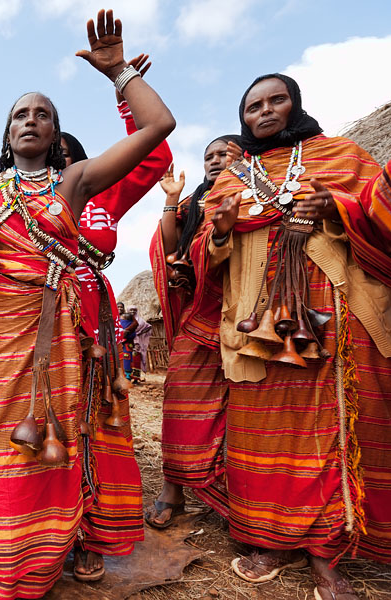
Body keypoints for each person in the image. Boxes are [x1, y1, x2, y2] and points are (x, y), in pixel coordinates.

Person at [0, 11, 175, 598]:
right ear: (7, 135)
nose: (31, 121)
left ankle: (53, 547)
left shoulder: (75, 182)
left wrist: (119, 72)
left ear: (56, 134)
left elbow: (159, 126)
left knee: (58, 435)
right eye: (21, 115)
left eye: (43, 115)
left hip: (57, 330)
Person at [193, 73, 389, 600]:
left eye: (276, 100)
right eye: (253, 105)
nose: (265, 111)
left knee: (327, 429)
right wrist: (220, 230)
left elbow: (379, 210)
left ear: (295, 104)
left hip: (330, 316)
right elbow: (204, 259)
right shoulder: (232, 178)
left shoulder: (340, 156)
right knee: (261, 430)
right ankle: (268, 540)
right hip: (254, 322)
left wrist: (337, 208)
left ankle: (328, 553)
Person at [146, 136, 243, 528]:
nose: (215, 160)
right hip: (200, 316)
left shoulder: (262, 194)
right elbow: (170, 248)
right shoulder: (195, 202)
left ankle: (238, 500)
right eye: (209, 156)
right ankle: (174, 489)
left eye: (225, 154)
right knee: (181, 400)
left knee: (243, 415)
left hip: (252, 314)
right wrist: (172, 198)